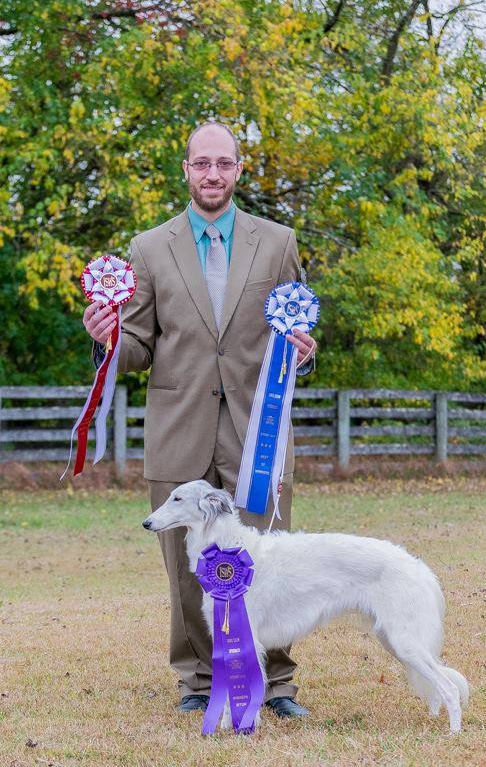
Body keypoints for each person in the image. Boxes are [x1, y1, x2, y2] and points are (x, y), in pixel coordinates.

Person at [83, 121, 317, 718]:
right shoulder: (149, 247)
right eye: (201, 163)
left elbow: (294, 329)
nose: (212, 174)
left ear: (239, 170)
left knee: (271, 560)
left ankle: (278, 684)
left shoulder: (279, 241)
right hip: (179, 429)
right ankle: (195, 682)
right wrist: (107, 340)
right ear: (185, 169)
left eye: (224, 164)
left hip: (256, 433)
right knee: (186, 568)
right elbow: (136, 344)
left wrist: (304, 350)